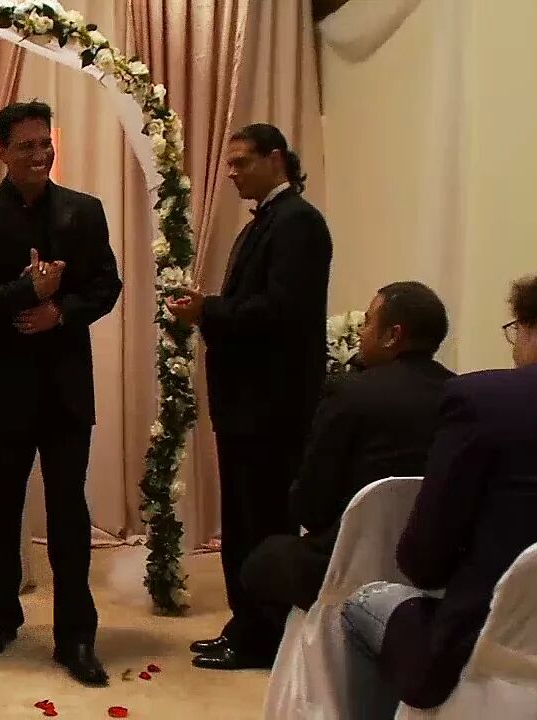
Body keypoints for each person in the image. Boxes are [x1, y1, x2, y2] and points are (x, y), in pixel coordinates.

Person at [339, 259, 537, 716]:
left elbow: (423, 563)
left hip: (488, 654)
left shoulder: (487, 400)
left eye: (516, 330)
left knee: (363, 603)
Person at [0, 100, 122, 687]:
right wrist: (27, 292)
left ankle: (76, 635)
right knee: (2, 508)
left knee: (69, 512)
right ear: (1, 151)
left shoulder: (84, 211)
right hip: (3, 389)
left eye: (46, 142)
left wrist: (59, 312)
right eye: (26, 145)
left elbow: (107, 286)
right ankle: (1, 617)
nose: (41, 154)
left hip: (67, 388)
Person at [166, 123, 333, 670]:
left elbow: (282, 313)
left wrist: (208, 310)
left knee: (262, 522)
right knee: (243, 519)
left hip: (271, 406)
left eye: (241, 162)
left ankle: (262, 635)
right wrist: (211, 308)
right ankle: (246, 625)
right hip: (248, 404)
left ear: (276, 158)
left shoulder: (298, 222)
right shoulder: (269, 221)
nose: (232, 173)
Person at [240, 281, 454, 614]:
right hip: (431, 565)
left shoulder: (351, 394)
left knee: (262, 560)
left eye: (368, 322)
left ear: (392, 335)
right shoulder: (462, 395)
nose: (361, 333)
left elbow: (310, 508)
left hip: (350, 566)